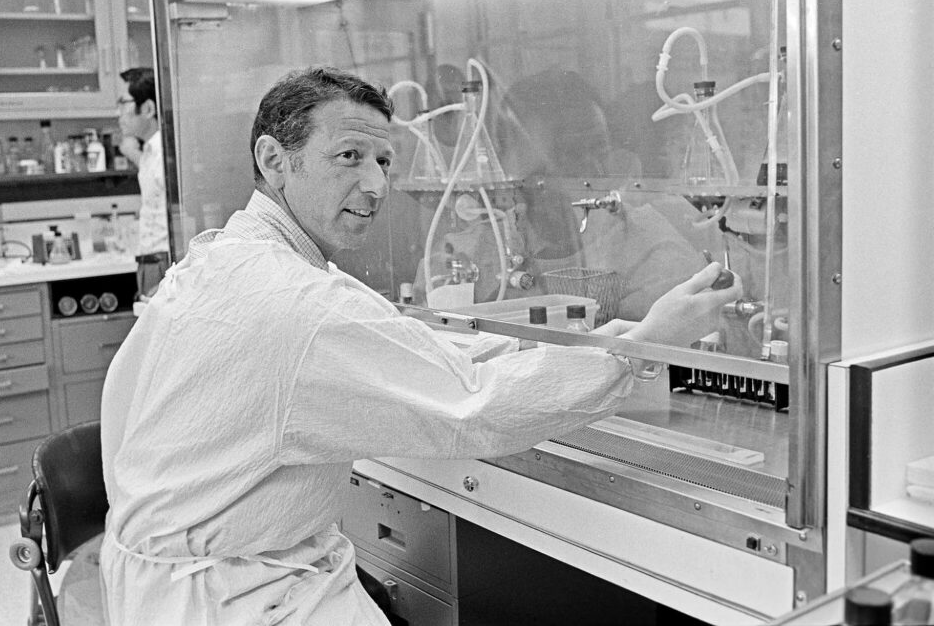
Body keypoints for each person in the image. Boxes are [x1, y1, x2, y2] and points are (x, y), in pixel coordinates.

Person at [99, 66, 741, 625]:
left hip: (182, 580)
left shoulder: (229, 259)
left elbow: (407, 347)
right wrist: (643, 347)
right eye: (349, 157)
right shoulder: (297, 303)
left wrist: (608, 340)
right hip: (235, 598)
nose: (377, 187)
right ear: (274, 160)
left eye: (384, 163)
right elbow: (476, 407)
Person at [118, 67, 170, 300]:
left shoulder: (164, 153)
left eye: (123, 104)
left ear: (148, 109)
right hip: (151, 261)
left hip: (163, 263)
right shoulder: (151, 151)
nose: (118, 114)